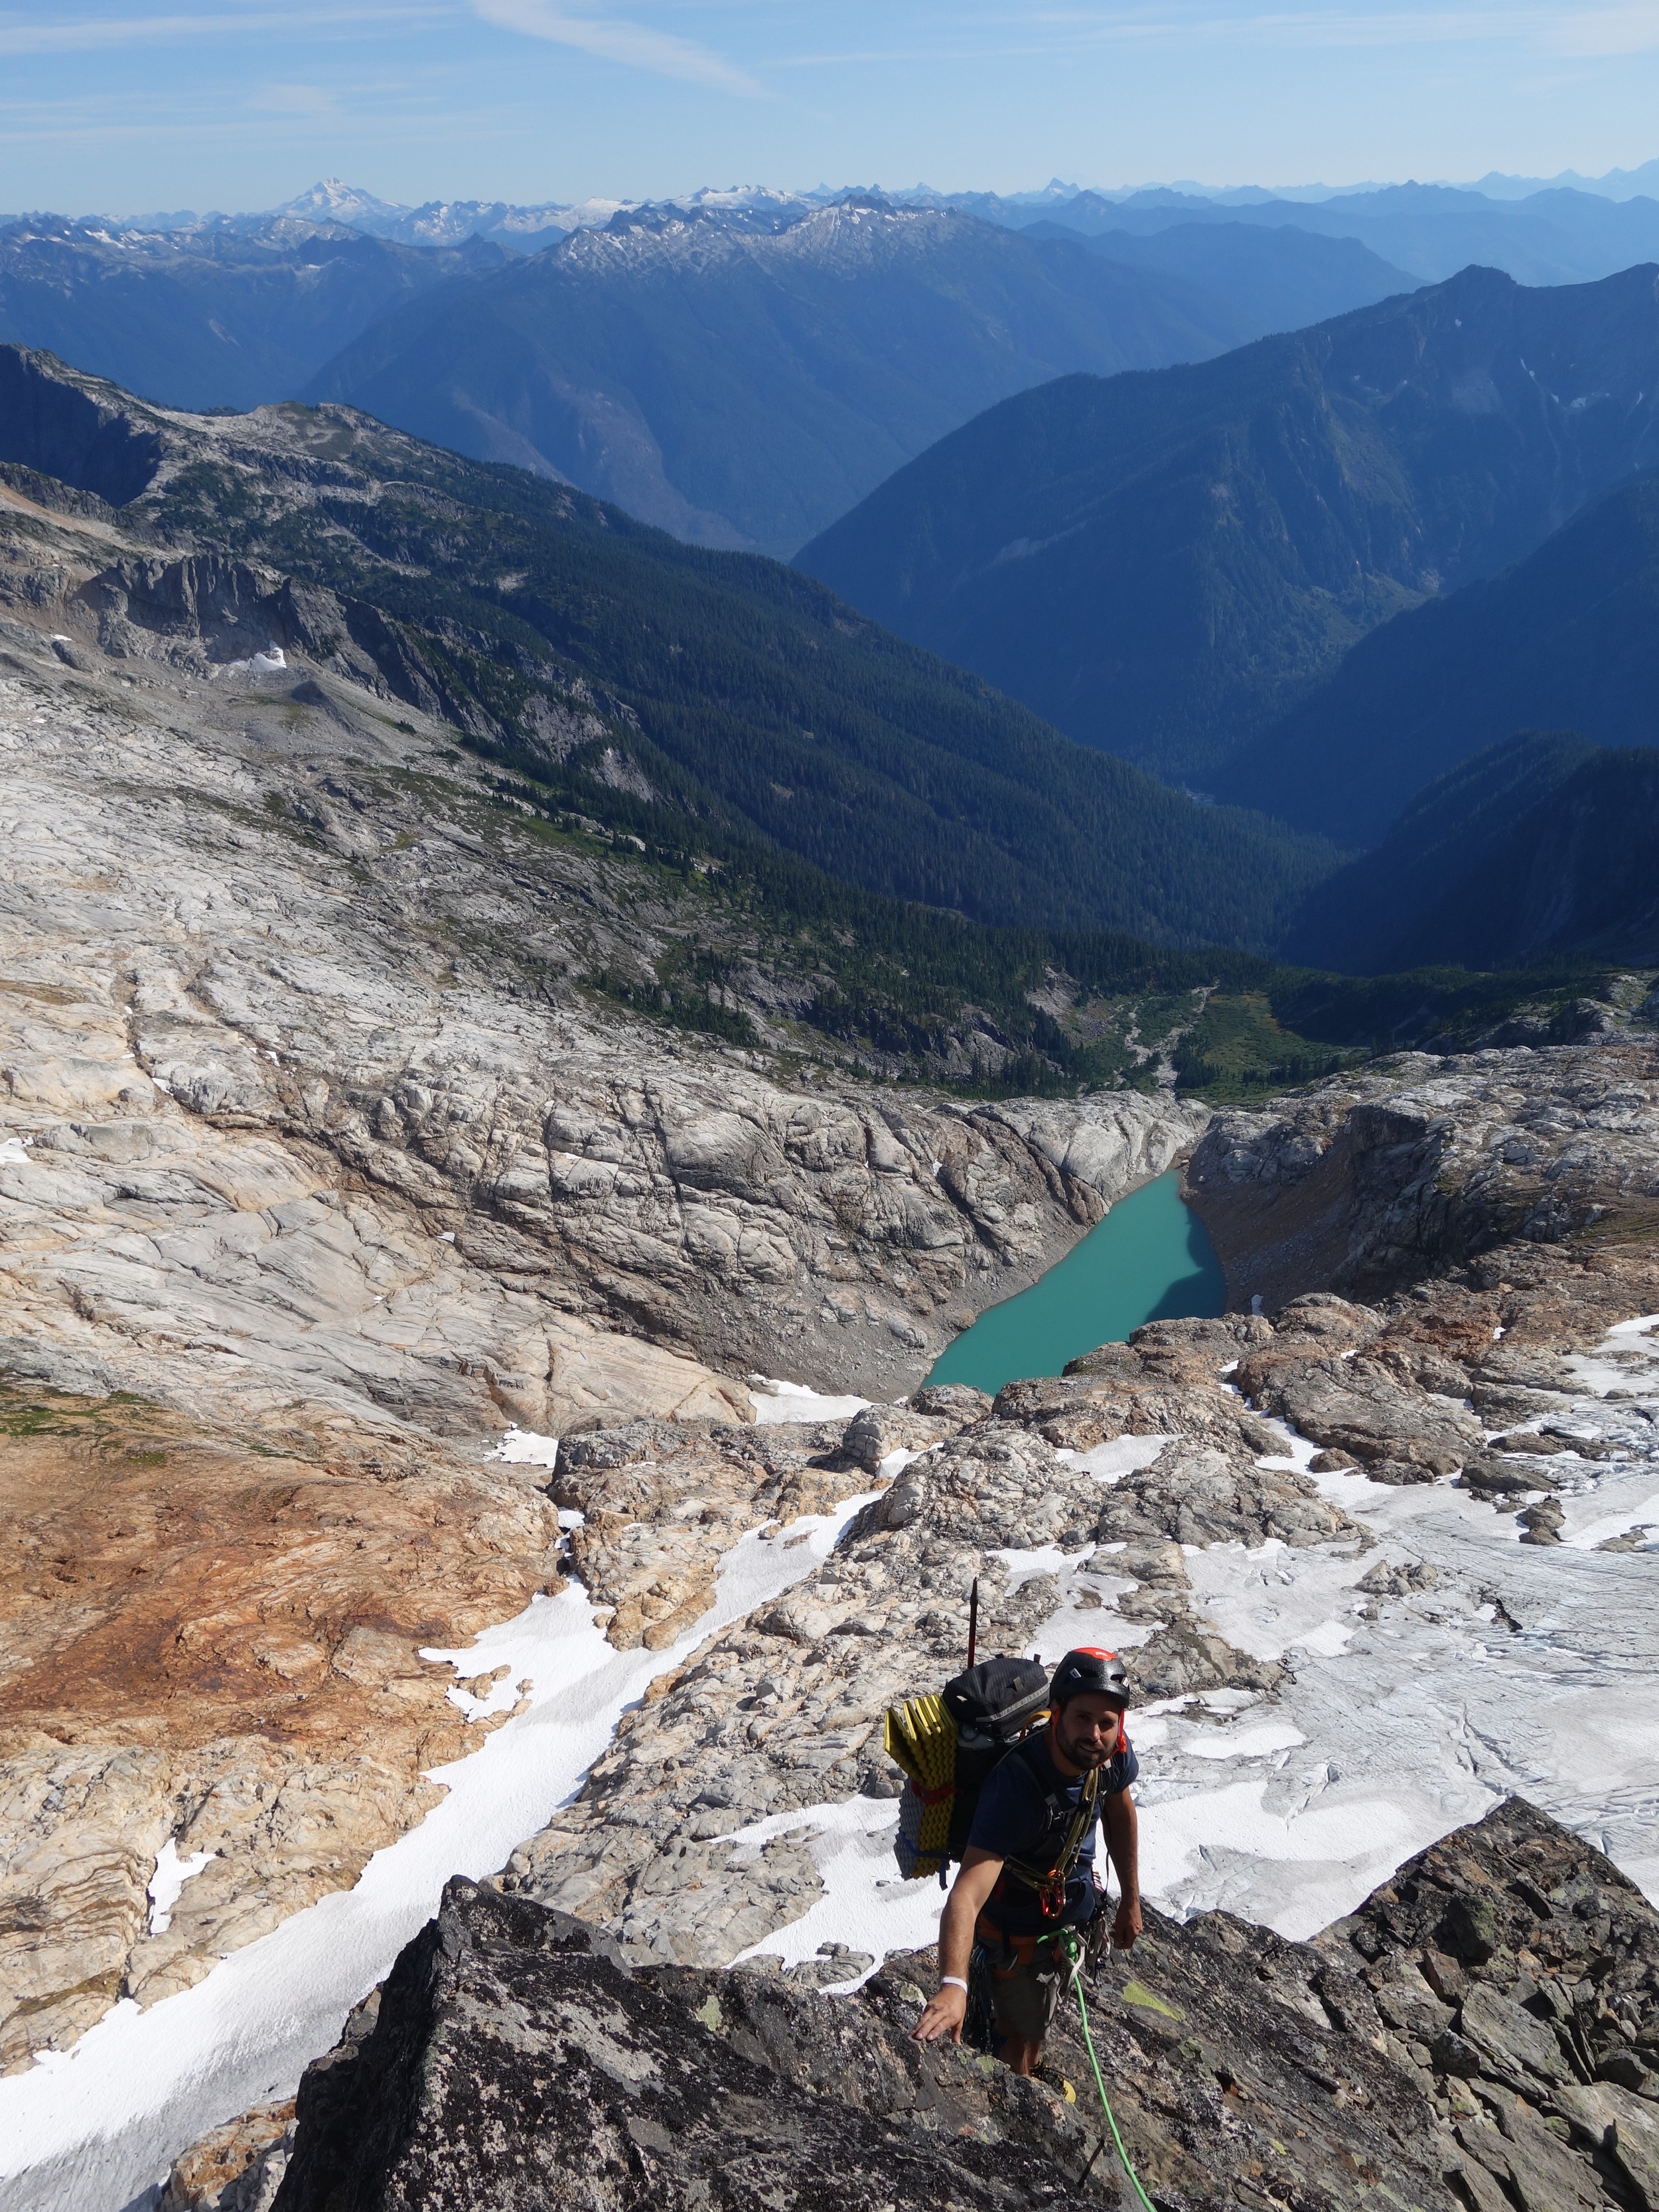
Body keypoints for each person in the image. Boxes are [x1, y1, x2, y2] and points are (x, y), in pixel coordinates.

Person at [911, 1647, 1141, 2077]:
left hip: (1069, 1917)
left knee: (1038, 2017)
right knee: (1019, 2035)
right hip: (1016, 1934)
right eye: (1082, 1717)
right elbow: (967, 1894)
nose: (1094, 1734)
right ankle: (1019, 2097)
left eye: (1107, 1723)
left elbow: (1119, 1810)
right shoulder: (1015, 1787)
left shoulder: (1112, 1756)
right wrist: (953, 1985)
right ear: (1057, 1712)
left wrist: (1131, 1898)